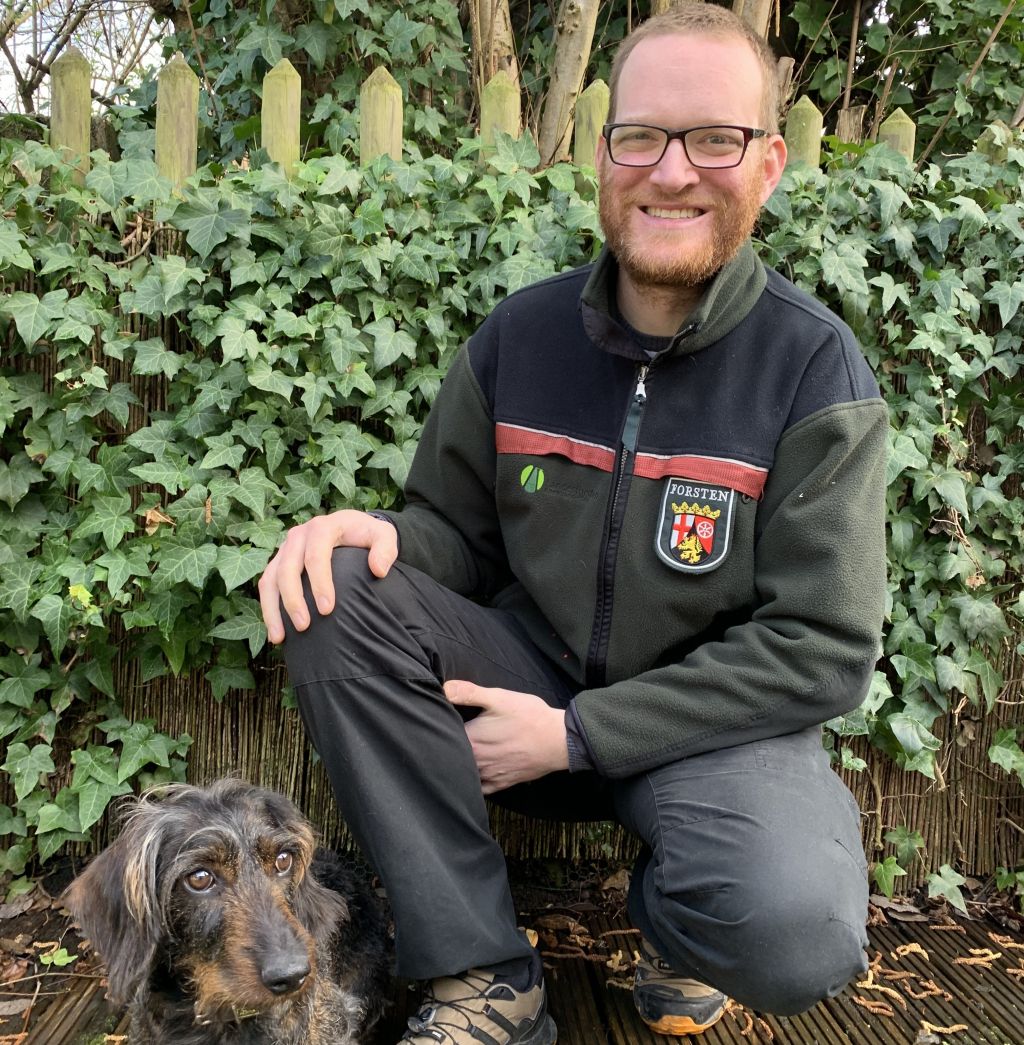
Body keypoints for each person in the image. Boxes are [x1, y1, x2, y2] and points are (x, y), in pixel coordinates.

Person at [258, 4, 888, 1043]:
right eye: (641, 135)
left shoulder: (814, 373)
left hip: (703, 737)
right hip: (522, 681)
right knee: (339, 593)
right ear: (604, 152)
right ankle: (483, 976)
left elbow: (820, 651)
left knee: (793, 932)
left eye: (713, 139)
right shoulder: (520, 336)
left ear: (768, 163)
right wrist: (371, 533)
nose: (672, 170)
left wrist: (578, 733)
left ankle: (682, 928)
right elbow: (450, 534)